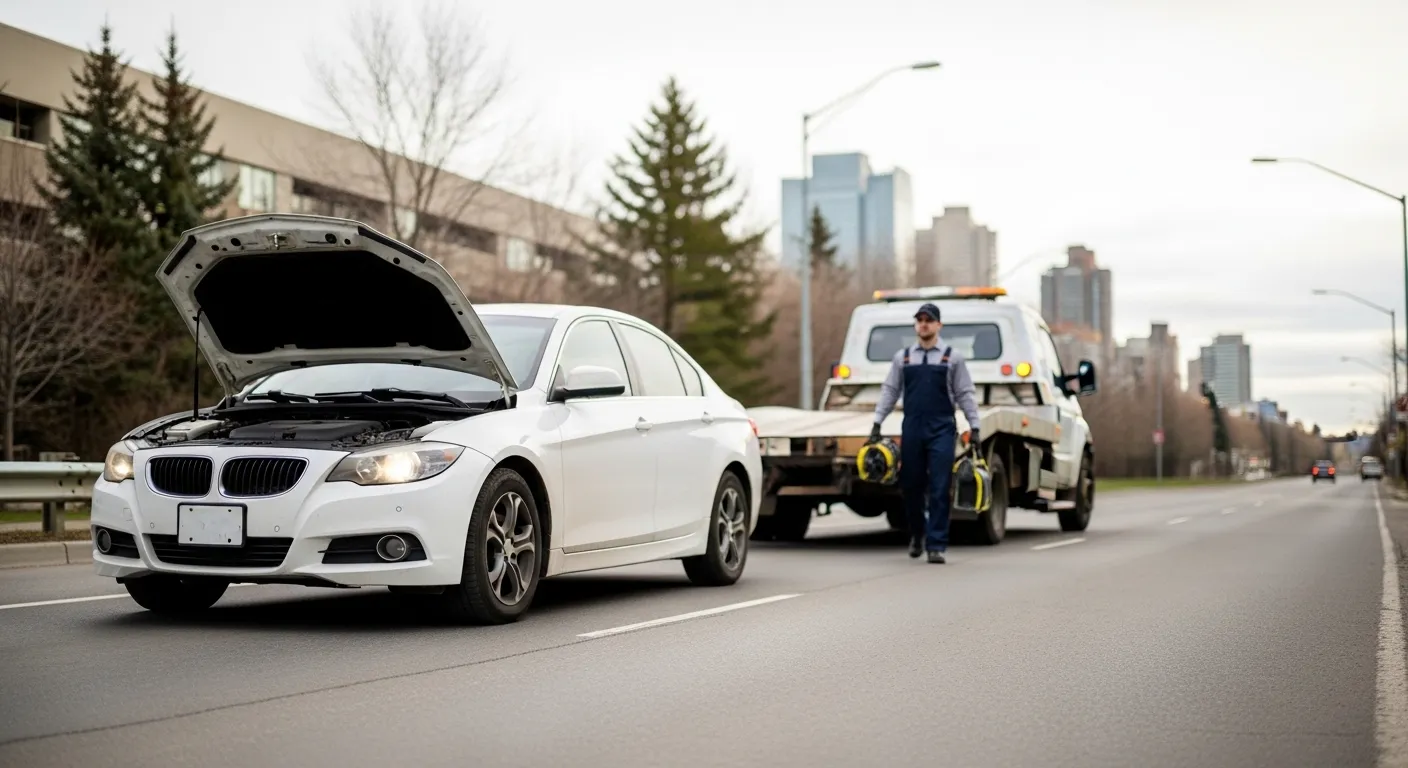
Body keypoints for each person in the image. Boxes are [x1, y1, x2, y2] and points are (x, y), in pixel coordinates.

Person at [869, 302, 980, 563]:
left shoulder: (952, 358)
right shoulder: (903, 357)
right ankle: (917, 534)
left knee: (940, 486)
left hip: (942, 427)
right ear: (915, 325)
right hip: (913, 427)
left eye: (929, 320)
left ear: (938, 325)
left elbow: (965, 394)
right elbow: (890, 391)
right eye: (920, 320)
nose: (924, 324)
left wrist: (975, 427)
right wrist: (877, 423)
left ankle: (936, 544)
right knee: (911, 485)